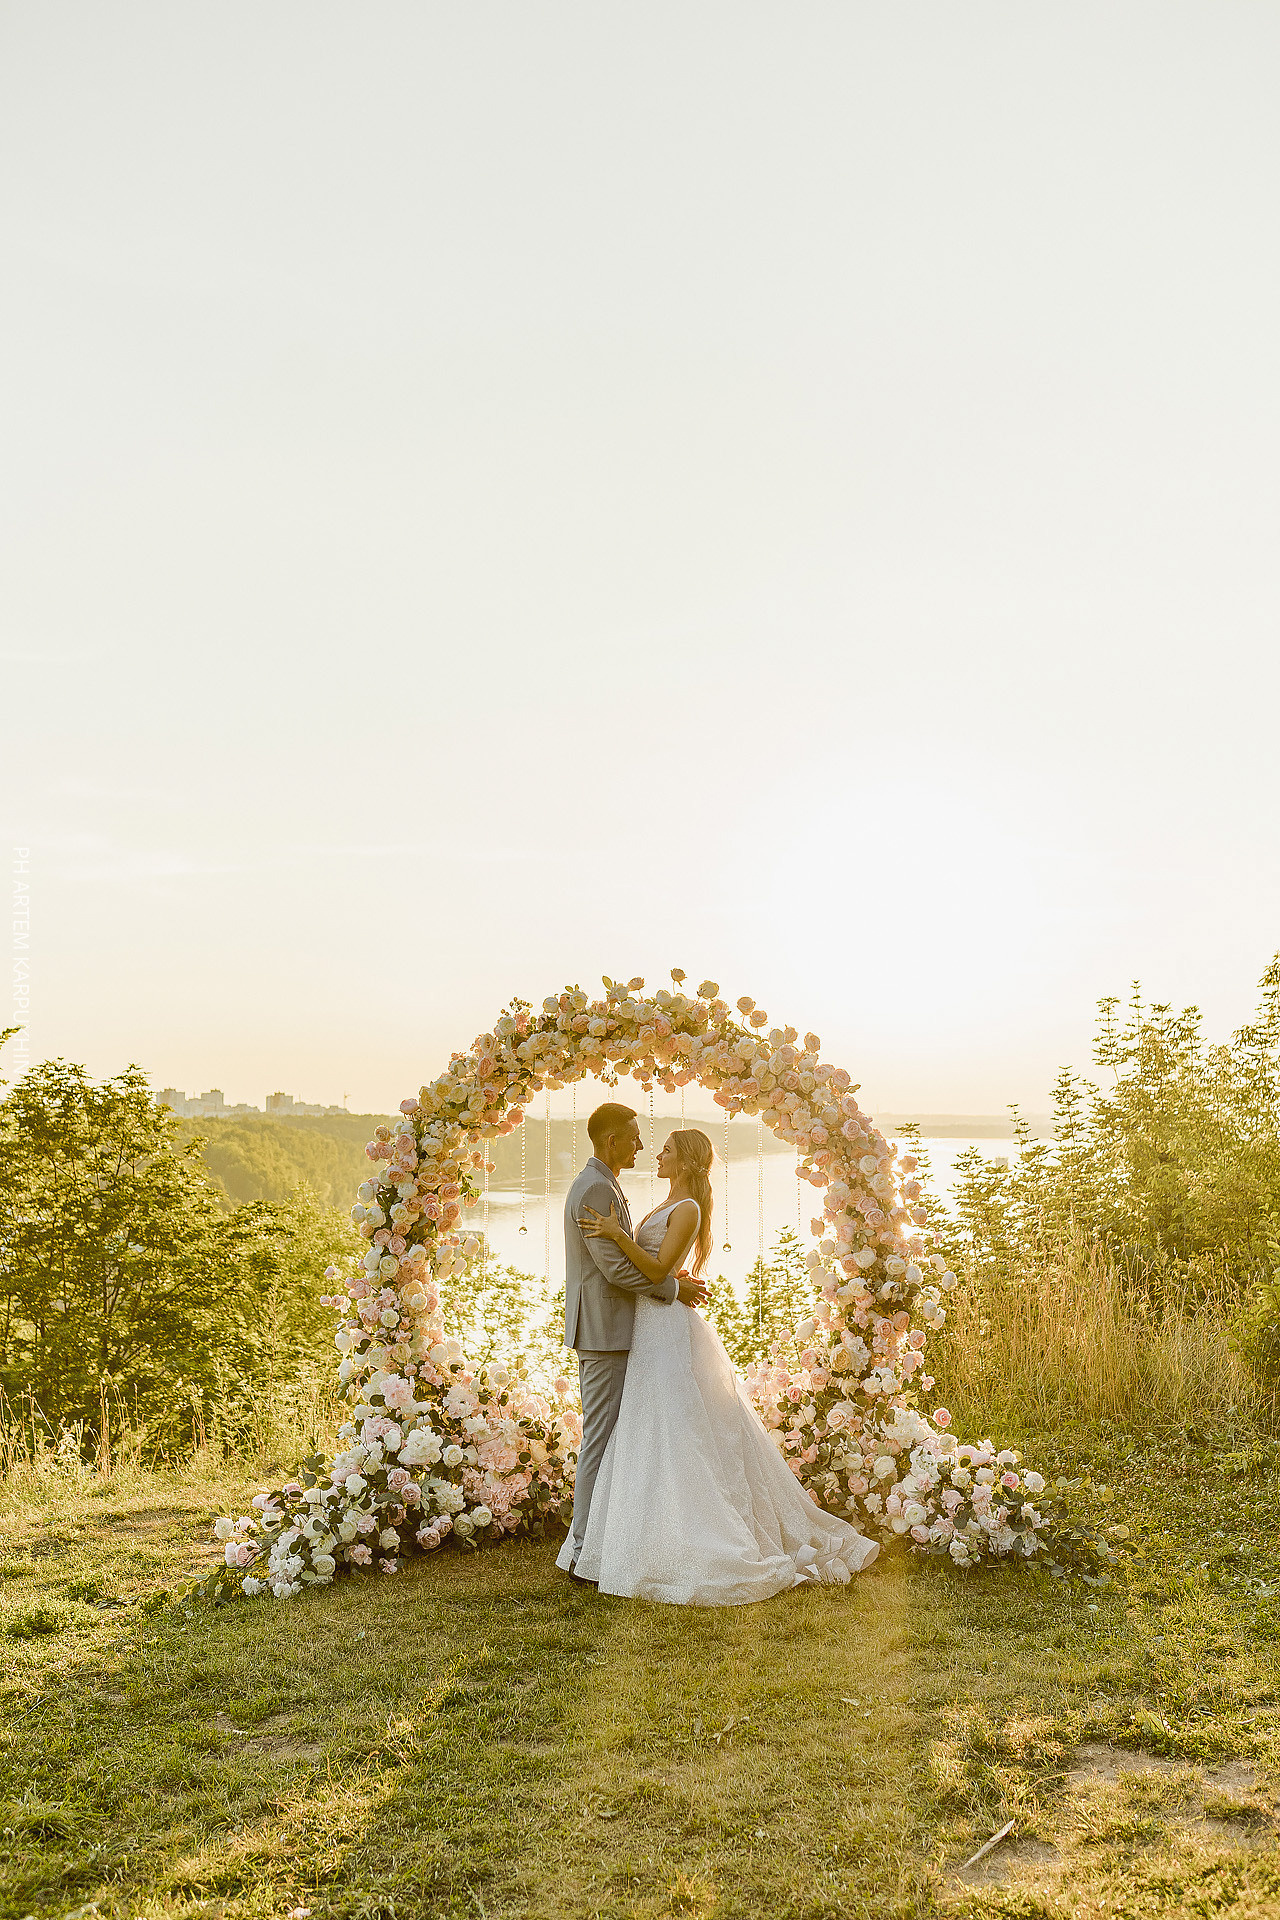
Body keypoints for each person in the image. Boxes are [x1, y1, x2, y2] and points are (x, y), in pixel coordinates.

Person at [556, 1124, 880, 1605]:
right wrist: (641, 1253)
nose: (655, 1155)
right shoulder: (659, 1202)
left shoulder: (687, 1207)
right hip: (647, 1325)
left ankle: (687, 1534)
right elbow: (661, 1267)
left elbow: (656, 1269)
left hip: (661, 1326)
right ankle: (635, 1534)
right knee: (647, 1432)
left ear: (685, 1161)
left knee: (675, 1431)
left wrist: (615, 1236)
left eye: (665, 1150)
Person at [561, 1102, 707, 1583]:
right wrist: (673, 1289)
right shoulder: (596, 1188)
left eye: (655, 1144)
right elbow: (614, 1268)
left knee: (623, 1439)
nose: (643, 1147)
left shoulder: (606, 1185)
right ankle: (584, 1549)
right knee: (599, 1440)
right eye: (635, 1138)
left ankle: (609, 1539)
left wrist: (667, 1279)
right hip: (605, 1331)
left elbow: (638, 1255)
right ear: (611, 1142)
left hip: (627, 1329)